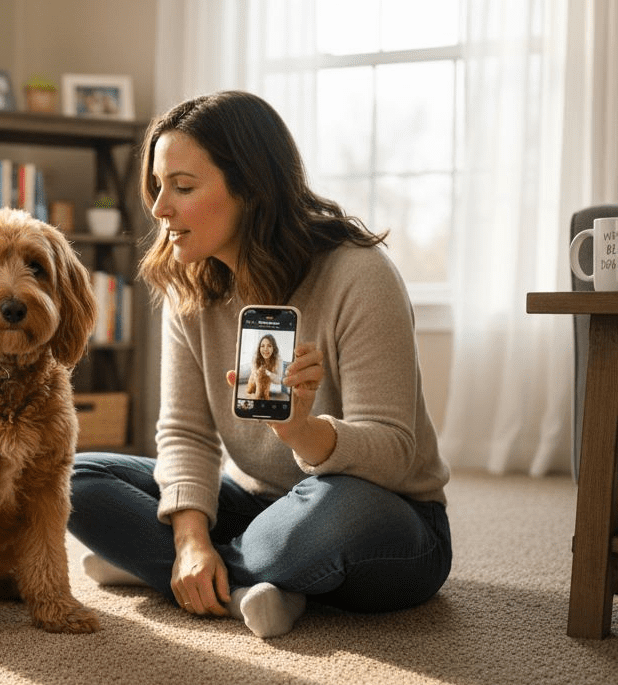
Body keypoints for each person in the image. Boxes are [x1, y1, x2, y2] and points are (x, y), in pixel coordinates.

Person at [68, 91, 451, 638]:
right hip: (252, 500)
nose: (159, 210)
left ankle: (163, 572)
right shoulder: (190, 284)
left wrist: (302, 431)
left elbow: (392, 455)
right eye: (158, 187)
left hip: (380, 514)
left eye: (182, 187)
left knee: (329, 517)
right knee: (75, 478)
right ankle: (240, 582)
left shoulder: (359, 275)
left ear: (249, 187)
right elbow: (184, 434)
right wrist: (190, 539)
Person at [244, 333, 284, 400]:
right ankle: (257, 392)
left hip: (270, 380)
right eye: (262, 346)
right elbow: (254, 374)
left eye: (269, 346)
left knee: (267, 385)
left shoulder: (278, 359)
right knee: (254, 382)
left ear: (273, 348)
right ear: (259, 348)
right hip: (256, 379)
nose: (265, 349)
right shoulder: (255, 357)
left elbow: (279, 380)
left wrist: (268, 373)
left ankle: (264, 392)